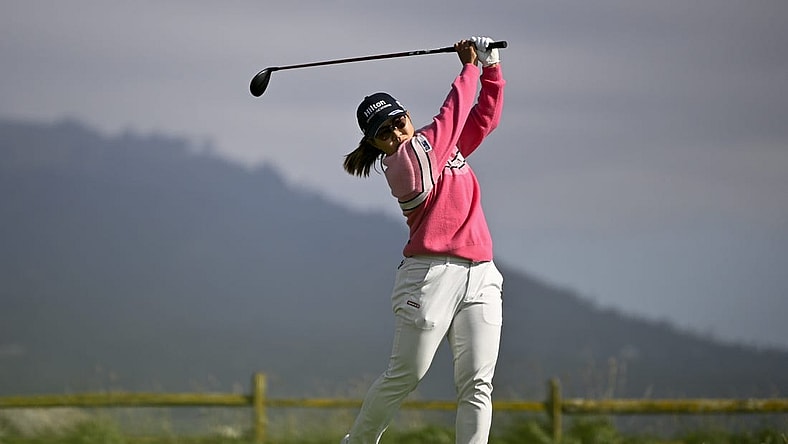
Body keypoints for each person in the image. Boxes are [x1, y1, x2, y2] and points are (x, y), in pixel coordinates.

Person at [341, 36, 506, 444]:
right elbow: (451, 116)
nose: (395, 133)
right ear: (375, 144)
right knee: (405, 375)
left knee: (477, 385)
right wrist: (468, 67)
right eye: (384, 133)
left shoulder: (441, 147)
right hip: (429, 277)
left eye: (398, 122)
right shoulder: (403, 162)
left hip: (481, 274)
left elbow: (482, 119)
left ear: (406, 117)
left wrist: (492, 70)